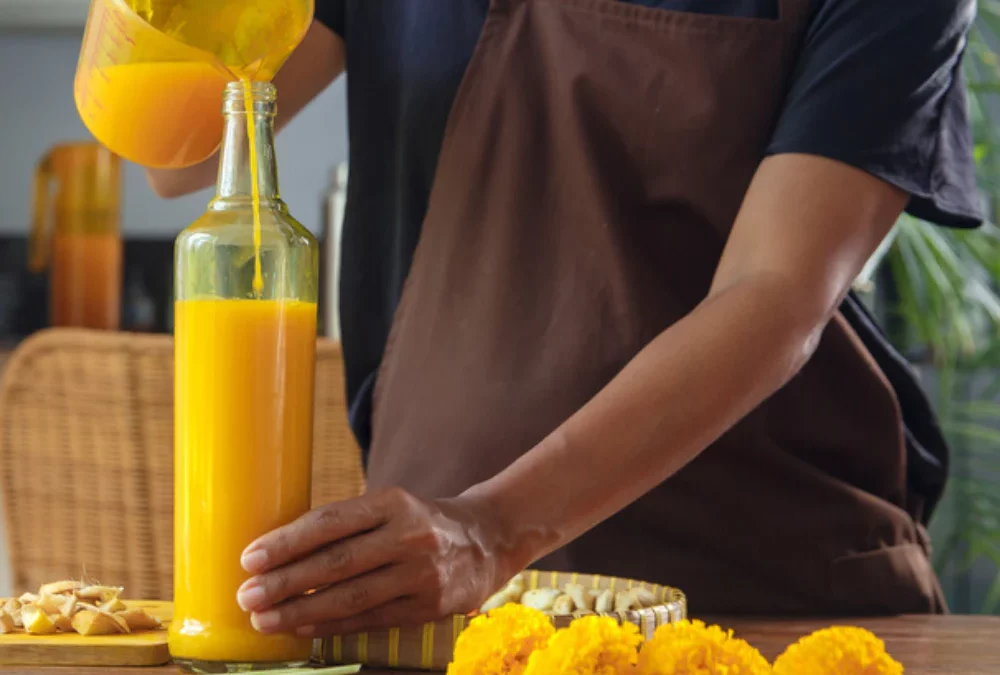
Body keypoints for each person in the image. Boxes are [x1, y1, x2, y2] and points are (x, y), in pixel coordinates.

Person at [149, 0, 982, 636]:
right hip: (448, 622)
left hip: (767, 601)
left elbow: (774, 291)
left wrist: (492, 527)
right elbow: (174, 146)